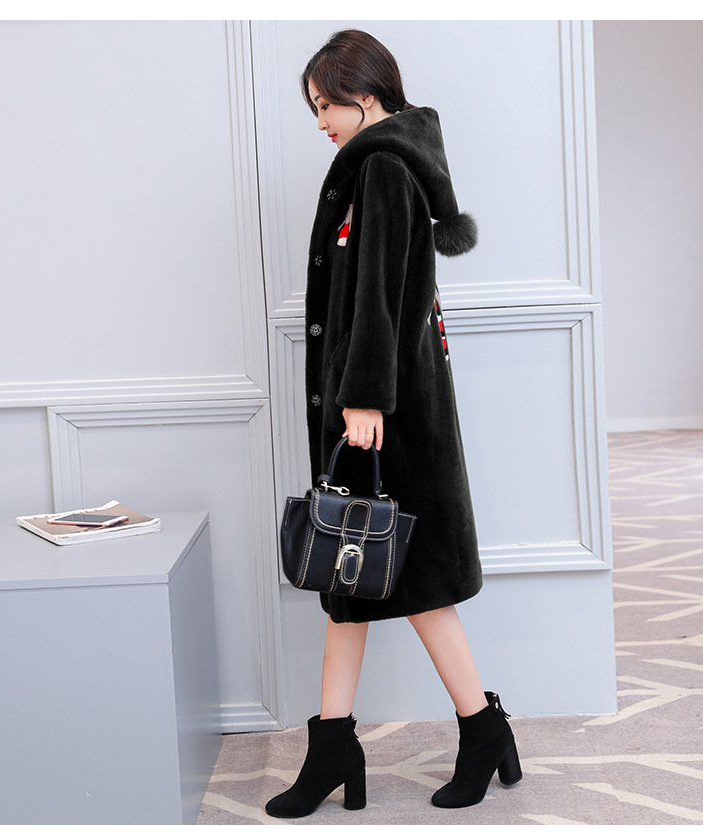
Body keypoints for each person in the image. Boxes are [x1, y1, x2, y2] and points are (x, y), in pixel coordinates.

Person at [265, 29, 521, 819]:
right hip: (375, 407)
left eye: (325, 105)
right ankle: (335, 743)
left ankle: (481, 729)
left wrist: (365, 398)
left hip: (387, 414)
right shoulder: (385, 163)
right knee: (349, 573)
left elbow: (383, 292)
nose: (319, 122)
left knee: (410, 580)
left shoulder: (380, 166)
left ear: (365, 94)